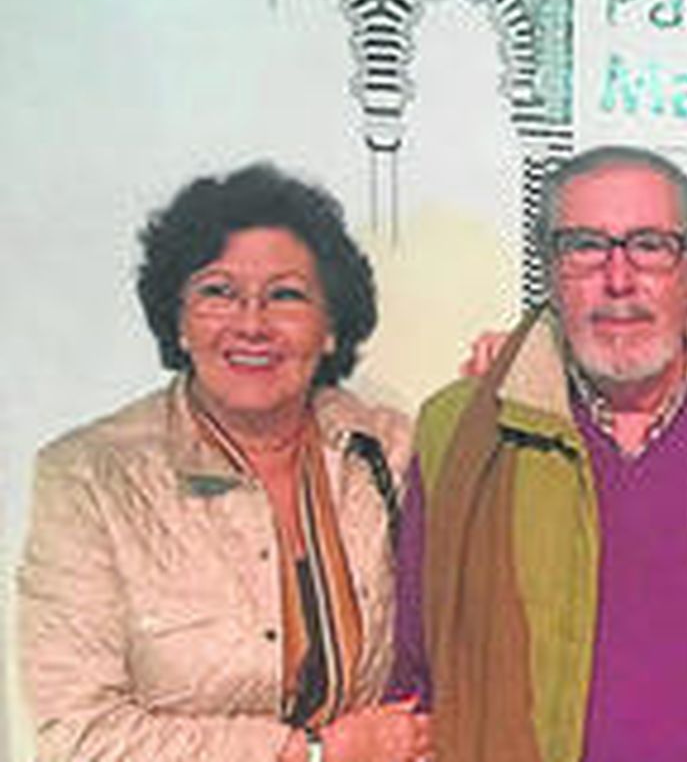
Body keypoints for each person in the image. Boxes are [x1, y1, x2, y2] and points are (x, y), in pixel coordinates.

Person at [387, 146, 687, 762]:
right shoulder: (459, 432)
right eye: (584, 246)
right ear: (550, 270)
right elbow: (414, 681)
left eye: (651, 246)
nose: (619, 279)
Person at [18, 163, 430, 762]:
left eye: (286, 295)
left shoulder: (393, 451)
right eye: (218, 292)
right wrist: (312, 754)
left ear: (330, 328)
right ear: (179, 321)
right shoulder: (88, 478)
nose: (252, 323)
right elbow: (80, 737)